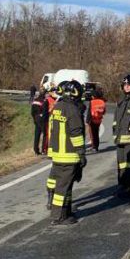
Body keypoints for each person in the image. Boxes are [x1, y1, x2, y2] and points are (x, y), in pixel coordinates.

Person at [45, 80, 87, 225]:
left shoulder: (57, 107)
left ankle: (66, 211)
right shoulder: (72, 110)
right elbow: (76, 134)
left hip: (58, 154)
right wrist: (82, 153)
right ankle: (58, 216)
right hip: (69, 155)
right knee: (63, 187)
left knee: (65, 185)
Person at [31, 90, 49, 155]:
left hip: (36, 118)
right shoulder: (44, 101)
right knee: (45, 134)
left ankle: (36, 150)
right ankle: (43, 150)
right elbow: (45, 112)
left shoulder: (35, 101)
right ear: (44, 94)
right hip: (42, 119)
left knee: (37, 135)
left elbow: (32, 112)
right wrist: (45, 120)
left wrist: (34, 119)